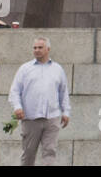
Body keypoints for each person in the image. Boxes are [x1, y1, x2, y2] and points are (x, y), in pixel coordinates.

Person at [7, 36, 70, 166]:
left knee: (50, 152)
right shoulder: (25, 69)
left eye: (40, 47)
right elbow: (14, 91)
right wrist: (17, 107)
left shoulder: (57, 69)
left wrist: (66, 112)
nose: (36, 50)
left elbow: (63, 92)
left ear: (48, 49)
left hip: (52, 118)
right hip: (30, 118)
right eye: (34, 48)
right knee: (28, 154)